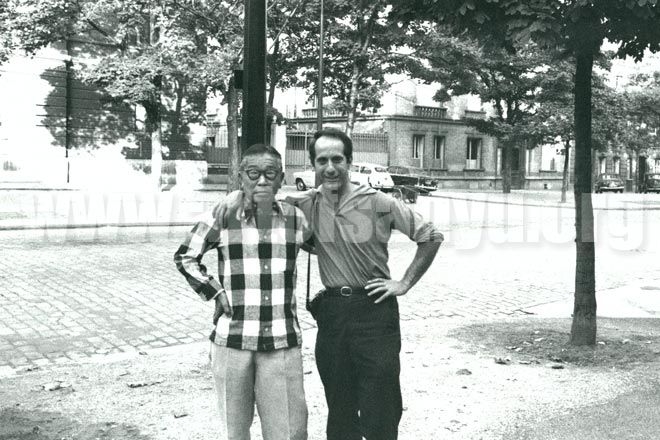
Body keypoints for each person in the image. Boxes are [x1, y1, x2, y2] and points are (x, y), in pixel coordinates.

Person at [218, 128, 443, 440]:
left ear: (349, 161)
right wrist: (236, 196)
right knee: (339, 404)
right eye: (322, 160)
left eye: (337, 159)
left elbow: (430, 236)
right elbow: (260, 195)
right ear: (313, 164)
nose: (330, 167)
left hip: (375, 310)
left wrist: (404, 283)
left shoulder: (379, 201)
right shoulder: (307, 203)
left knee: (381, 404)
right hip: (333, 314)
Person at [174, 143, 309, 440]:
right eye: (253, 173)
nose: (262, 180)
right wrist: (215, 292)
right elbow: (185, 256)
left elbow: (332, 234)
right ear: (240, 176)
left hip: (282, 341)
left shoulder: (296, 219)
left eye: (270, 173)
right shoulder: (223, 216)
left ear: (281, 177)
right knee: (234, 431)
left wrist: (304, 196)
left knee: (289, 431)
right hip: (233, 341)